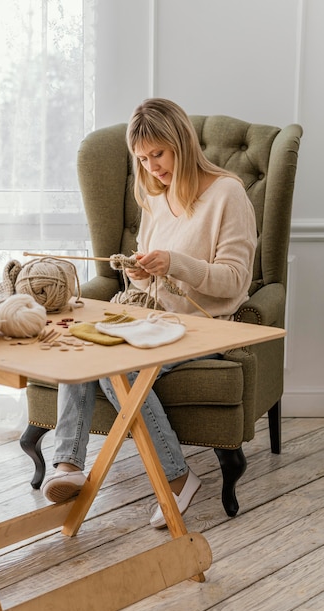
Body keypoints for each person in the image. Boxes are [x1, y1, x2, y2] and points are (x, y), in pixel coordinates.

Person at [41, 98, 257, 528]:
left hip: (206, 329)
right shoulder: (155, 198)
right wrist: (139, 272)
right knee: (85, 346)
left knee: (119, 369)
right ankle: (68, 465)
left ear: (181, 142)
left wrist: (175, 262)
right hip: (156, 322)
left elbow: (235, 281)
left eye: (158, 153)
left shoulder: (227, 193)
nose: (152, 166)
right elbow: (147, 286)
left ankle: (176, 479)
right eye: (142, 158)